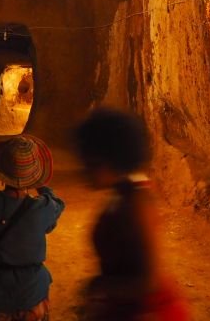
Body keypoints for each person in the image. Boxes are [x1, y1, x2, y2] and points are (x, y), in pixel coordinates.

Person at [73, 107, 190, 321]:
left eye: (90, 162)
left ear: (108, 160)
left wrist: (100, 287)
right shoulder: (123, 195)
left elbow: (149, 281)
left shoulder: (137, 202)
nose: (84, 169)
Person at [0, 134, 65, 321]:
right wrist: (37, 181)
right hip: (33, 294)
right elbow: (57, 202)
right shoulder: (42, 208)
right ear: (35, 173)